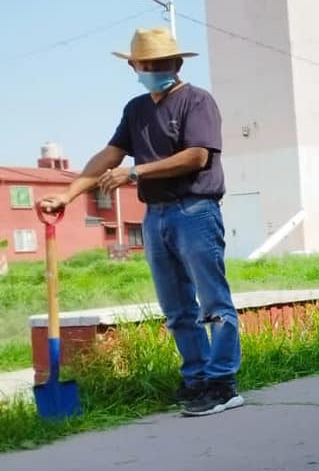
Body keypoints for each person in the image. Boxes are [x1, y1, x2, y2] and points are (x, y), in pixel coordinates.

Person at [39, 27, 243, 417]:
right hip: (156, 216)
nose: (152, 69)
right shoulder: (136, 109)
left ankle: (223, 383)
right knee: (177, 308)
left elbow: (197, 156)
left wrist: (137, 173)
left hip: (195, 210)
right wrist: (68, 195)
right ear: (133, 65)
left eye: (160, 63)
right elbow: (109, 155)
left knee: (213, 302)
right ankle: (196, 379)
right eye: (145, 63)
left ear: (177, 64)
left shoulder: (197, 101)